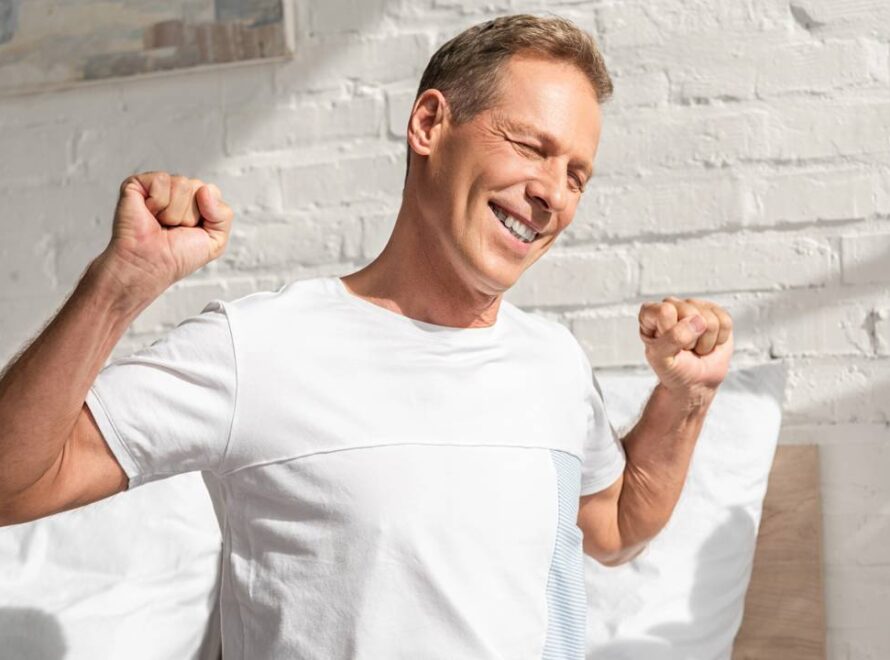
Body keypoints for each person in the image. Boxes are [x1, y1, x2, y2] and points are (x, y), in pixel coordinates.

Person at [0, 13, 733, 660]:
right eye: (529, 146)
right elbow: (12, 483)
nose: (553, 193)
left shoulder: (553, 363)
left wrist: (686, 399)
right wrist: (119, 286)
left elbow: (615, 528)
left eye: (577, 175)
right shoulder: (261, 349)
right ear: (428, 125)